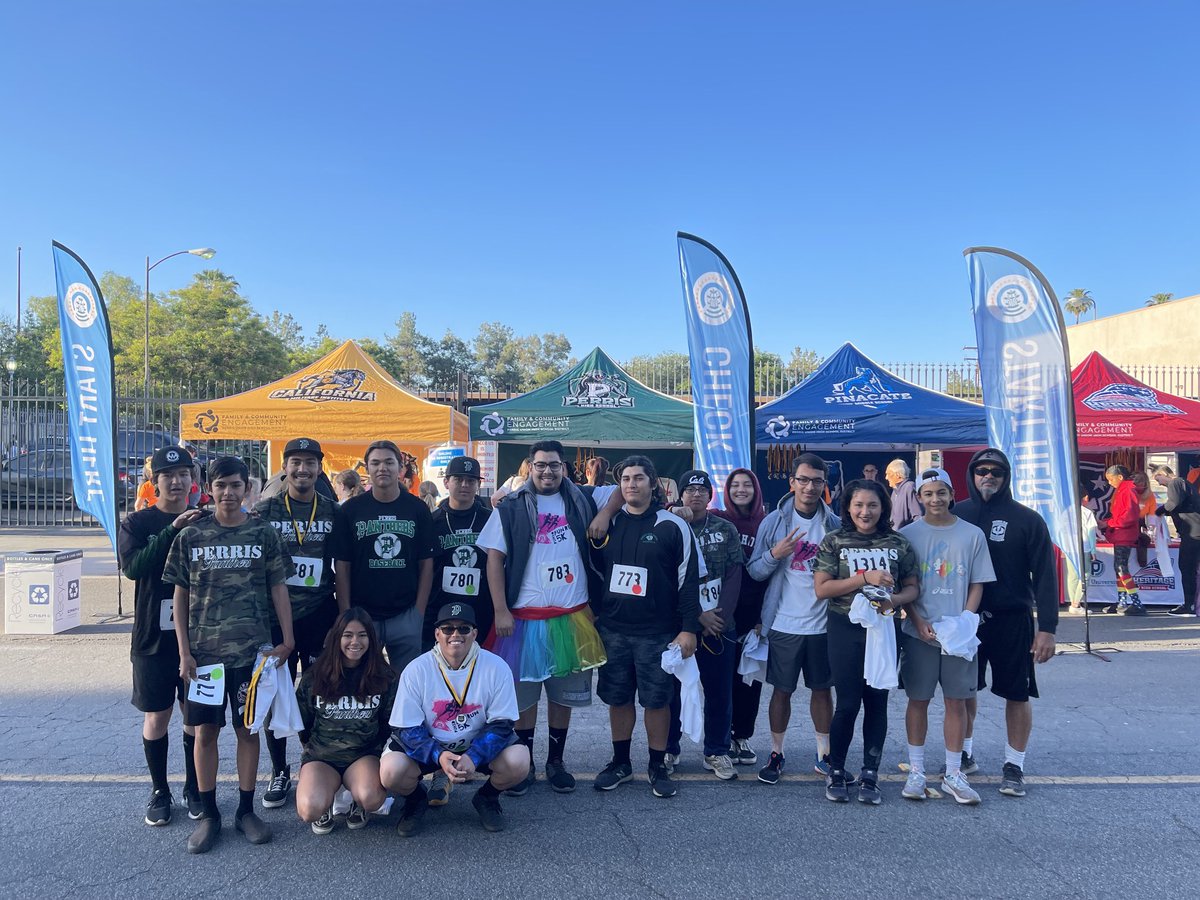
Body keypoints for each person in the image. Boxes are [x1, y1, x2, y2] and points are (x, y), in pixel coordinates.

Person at [164, 456, 295, 854]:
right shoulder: (191, 536)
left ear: (247, 488)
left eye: (236, 485)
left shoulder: (262, 532)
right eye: (221, 485)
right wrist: (184, 652)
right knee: (204, 733)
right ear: (209, 487)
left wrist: (286, 640)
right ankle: (208, 815)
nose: (228, 493)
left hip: (251, 656)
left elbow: (279, 588)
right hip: (205, 659)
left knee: (247, 730)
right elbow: (180, 596)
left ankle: (245, 809)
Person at [478, 440, 620, 795]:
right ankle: (523, 762)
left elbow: (621, 491)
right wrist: (500, 611)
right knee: (524, 697)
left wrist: (603, 515)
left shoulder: (582, 499)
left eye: (554, 465)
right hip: (523, 619)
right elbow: (494, 559)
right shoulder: (510, 507)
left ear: (564, 467)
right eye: (540, 465)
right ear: (530, 466)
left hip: (571, 618)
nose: (547, 471)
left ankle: (555, 762)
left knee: (562, 696)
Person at [590, 455, 700, 798]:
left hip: (659, 633)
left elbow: (688, 581)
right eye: (625, 479)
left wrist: (689, 629)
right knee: (618, 699)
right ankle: (621, 762)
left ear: (654, 484)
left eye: (638, 478)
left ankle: (657, 765)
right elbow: (593, 571)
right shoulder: (607, 524)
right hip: (614, 630)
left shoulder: (673, 526)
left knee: (656, 701)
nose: (631, 484)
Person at [955, 448, 1058, 798]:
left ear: (1006, 476)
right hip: (967, 620)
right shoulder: (957, 514)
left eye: (996, 471)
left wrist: (1048, 628)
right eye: (981, 470)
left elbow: (1046, 576)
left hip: (1012, 620)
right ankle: (964, 754)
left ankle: (1014, 765)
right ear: (971, 474)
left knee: (1017, 693)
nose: (988, 476)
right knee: (964, 691)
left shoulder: (1027, 520)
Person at [381, 602, 530, 834]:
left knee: (519, 761)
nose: (455, 635)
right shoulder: (417, 669)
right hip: (433, 747)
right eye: (448, 628)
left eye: (463, 629)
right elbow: (406, 727)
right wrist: (438, 755)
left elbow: (503, 724)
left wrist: (474, 755)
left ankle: (487, 798)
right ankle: (416, 800)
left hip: (475, 745)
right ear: (437, 633)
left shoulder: (496, 667)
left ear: (474, 633)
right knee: (391, 771)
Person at [814, 479, 919, 804]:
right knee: (847, 703)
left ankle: (870, 773)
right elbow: (822, 589)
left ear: (883, 508)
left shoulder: (898, 543)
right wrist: (864, 578)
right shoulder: (834, 541)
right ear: (847, 507)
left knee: (877, 702)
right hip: (845, 628)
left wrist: (895, 601)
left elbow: (913, 588)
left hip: (885, 629)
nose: (865, 511)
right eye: (858, 504)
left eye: (872, 505)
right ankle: (836, 770)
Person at [119, 446, 206, 826]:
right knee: (157, 715)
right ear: (154, 483)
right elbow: (134, 568)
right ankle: (159, 790)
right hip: (153, 637)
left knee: (195, 714)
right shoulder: (137, 523)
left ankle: (193, 786)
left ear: (194, 480)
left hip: (199, 637)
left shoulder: (206, 521)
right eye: (168, 475)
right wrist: (173, 529)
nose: (176, 481)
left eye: (183, 474)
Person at [899, 468, 995, 806]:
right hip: (919, 632)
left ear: (951, 495)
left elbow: (977, 582)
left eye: (941, 492)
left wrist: (967, 620)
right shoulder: (908, 534)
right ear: (919, 497)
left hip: (959, 634)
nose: (935, 499)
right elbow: (904, 587)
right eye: (928, 493)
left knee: (957, 701)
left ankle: (954, 772)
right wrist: (917, 619)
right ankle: (916, 770)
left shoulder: (972, 534)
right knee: (918, 700)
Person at [254, 437, 340, 809]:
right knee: (276, 694)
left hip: (320, 612)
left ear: (319, 468)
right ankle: (278, 771)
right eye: (295, 462)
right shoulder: (264, 510)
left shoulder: (334, 511)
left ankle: (317, 760)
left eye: (310, 463)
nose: (302, 469)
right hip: (275, 617)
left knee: (320, 692)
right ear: (284, 467)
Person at [747, 454, 841, 785]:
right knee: (781, 691)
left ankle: (823, 754)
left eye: (817, 481)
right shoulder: (773, 522)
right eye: (803, 479)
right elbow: (754, 571)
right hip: (784, 623)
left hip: (823, 625)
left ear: (824, 485)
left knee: (822, 690)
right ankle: (776, 753)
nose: (810, 487)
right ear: (792, 483)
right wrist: (776, 554)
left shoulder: (835, 525)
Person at [422, 455, 495, 805]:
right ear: (446, 482)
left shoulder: (492, 519)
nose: (464, 486)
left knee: (476, 690)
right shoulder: (433, 520)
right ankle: (440, 767)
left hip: (479, 614)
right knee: (439, 694)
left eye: (471, 481)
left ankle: (479, 758)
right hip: (439, 617)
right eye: (458, 479)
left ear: (477, 485)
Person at [331, 439, 436, 673]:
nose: (382, 468)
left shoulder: (417, 509)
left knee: (408, 684)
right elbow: (342, 566)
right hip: (363, 614)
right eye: (375, 463)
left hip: (406, 613)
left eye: (389, 462)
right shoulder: (351, 510)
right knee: (361, 681)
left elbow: (426, 564)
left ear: (400, 468)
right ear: (366, 469)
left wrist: (419, 611)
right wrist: (346, 613)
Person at [666, 470, 743, 780]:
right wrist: (697, 614)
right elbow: (667, 577)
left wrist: (718, 617)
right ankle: (669, 747)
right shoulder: (669, 527)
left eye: (702, 489)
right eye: (689, 489)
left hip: (720, 624)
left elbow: (735, 573)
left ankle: (717, 751)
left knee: (719, 691)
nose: (695, 494)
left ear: (711, 495)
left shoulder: (726, 529)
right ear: (681, 494)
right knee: (671, 690)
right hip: (680, 623)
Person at [294, 607, 398, 835]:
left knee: (372, 798)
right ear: (337, 638)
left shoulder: (384, 676)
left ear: (371, 639)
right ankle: (325, 804)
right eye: (348, 635)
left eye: (362, 635)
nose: (355, 642)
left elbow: (388, 723)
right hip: (322, 757)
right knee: (308, 809)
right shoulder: (315, 676)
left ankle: (357, 803)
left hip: (362, 756)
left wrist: (375, 752)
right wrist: (312, 749)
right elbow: (304, 722)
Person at [712, 467, 767, 766]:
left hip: (754, 613)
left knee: (749, 681)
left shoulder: (766, 523)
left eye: (747, 484)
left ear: (756, 489)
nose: (741, 490)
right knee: (723, 680)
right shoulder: (719, 518)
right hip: (722, 610)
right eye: (735, 485)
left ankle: (741, 736)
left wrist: (763, 618)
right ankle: (719, 737)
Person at [1153, 465, 1200, 616]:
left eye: (1157, 479)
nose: (1159, 483)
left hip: (1192, 533)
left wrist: (1158, 511)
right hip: (1195, 530)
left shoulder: (1175, 483)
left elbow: (1173, 504)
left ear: (1163, 473)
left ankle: (1189, 605)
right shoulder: (1185, 484)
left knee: (1187, 568)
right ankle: (1193, 604)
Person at [1102, 465, 1146, 616]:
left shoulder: (1128, 490)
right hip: (1121, 533)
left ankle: (1136, 603)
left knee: (1121, 568)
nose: (1109, 482)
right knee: (1119, 568)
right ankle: (1122, 601)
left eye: (1111, 479)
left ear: (1120, 477)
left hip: (1124, 534)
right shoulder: (1124, 489)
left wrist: (1109, 523)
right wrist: (1109, 522)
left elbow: (1129, 516)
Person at [885, 459, 923, 530]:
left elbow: (918, 516)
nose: (886, 477)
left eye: (889, 474)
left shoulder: (909, 487)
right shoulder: (894, 491)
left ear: (898, 475)